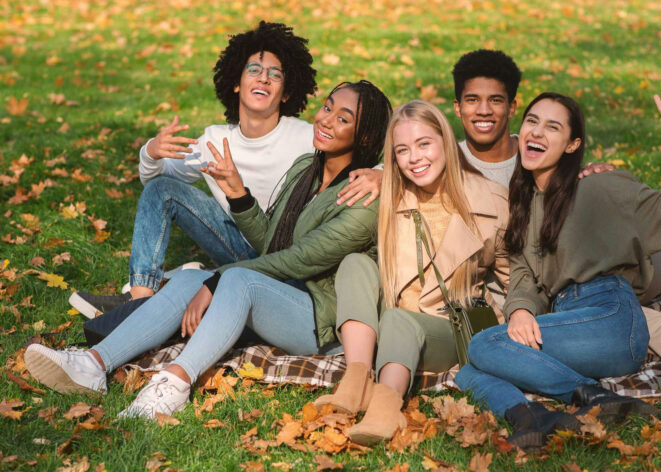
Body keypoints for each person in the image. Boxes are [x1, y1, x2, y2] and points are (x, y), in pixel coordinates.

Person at [24, 81, 393, 419]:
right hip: (282, 292)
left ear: (365, 135)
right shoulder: (305, 169)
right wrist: (237, 191)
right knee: (188, 281)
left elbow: (301, 259)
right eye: (327, 107)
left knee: (236, 280)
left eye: (343, 118)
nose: (326, 119)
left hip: (317, 319)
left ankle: (173, 384)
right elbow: (270, 244)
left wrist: (218, 279)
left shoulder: (364, 197)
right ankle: (93, 364)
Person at [452, 49, 661, 362]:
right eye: (472, 100)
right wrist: (520, 308)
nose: (483, 111)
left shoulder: (536, 154)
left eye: (495, 100)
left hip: (619, 272)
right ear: (457, 107)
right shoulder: (451, 171)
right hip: (572, 299)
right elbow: (519, 265)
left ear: (510, 108)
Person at [69, 22, 383, 317]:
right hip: (235, 244)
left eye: (275, 75)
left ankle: (189, 281)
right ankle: (140, 300)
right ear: (236, 82)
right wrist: (150, 153)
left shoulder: (307, 137)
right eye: (254, 70)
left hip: (286, 258)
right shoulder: (213, 141)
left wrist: (381, 172)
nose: (263, 78)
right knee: (162, 190)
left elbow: (367, 148)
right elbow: (154, 186)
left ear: (287, 92)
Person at [455, 88, 661, 449]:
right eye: (532, 121)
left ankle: (587, 395)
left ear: (572, 145)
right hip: (567, 324)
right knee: (471, 369)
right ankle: (530, 416)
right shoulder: (525, 209)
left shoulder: (600, 186)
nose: (537, 133)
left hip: (611, 314)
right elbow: (523, 276)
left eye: (552, 127)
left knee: (483, 345)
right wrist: (522, 310)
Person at [312, 100, 510, 445]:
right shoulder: (390, 194)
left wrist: (510, 330)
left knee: (400, 320)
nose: (414, 158)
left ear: (446, 142)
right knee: (355, 264)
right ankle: (356, 380)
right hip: (395, 316)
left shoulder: (492, 201)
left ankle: (386, 407)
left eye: (424, 144)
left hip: (451, 327)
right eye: (402, 150)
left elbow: (515, 277)